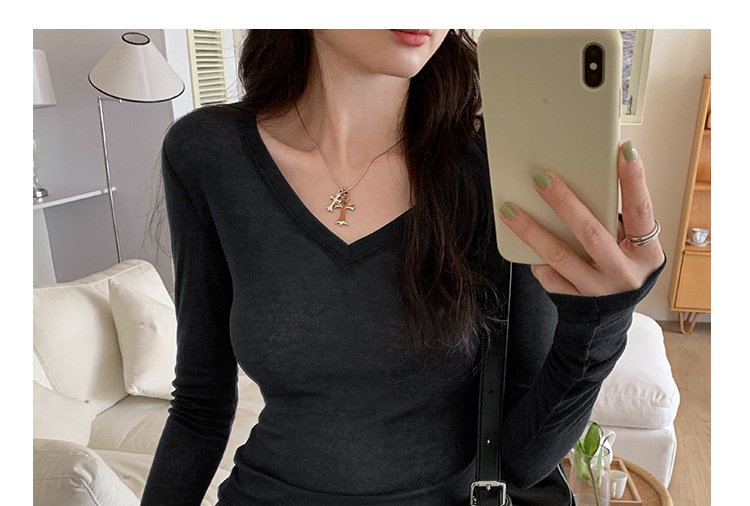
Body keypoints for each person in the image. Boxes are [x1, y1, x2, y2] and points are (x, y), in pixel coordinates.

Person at [140, 29, 665, 506]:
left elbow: (523, 461)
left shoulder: (495, 163)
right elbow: (200, 409)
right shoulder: (208, 155)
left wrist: (600, 322)